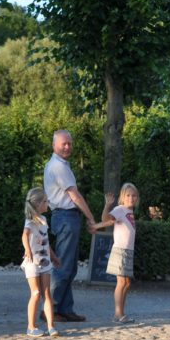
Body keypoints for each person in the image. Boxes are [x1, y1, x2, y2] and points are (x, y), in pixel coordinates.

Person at [43, 129, 97, 322]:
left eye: (69, 144)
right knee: (63, 265)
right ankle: (52, 308)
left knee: (70, 266)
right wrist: (91, 218)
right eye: (63, 143)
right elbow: (74, 195)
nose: (67, 147)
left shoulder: (59, 165)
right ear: (54, 145)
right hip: (65, 216)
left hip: (66, 217)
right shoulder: (58, 166)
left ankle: (65, 308)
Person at [91, 183, 139, 324]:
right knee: (122, 282)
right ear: (122, 197)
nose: (131, 198)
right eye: (128, 195)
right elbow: (107, 219)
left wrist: (96, 226)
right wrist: (107, 205)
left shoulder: (129, 212)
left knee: (127, 282)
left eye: (134, 195)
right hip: (120, 251)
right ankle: (118, 314)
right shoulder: (120, 209)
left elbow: (107, 224)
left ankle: (121, 313)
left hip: (128, 251)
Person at [21, 187, 61, 337]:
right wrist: (27, 250)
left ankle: (51, 326)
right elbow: (24, 236)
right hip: (32, 261)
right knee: (36, 293)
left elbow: (45, 241)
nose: (47, 204)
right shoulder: (30, 221)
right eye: (45, 201)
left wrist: (54, 257)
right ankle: (31, 327)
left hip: (45, 261)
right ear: (37, 204)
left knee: (46, 294)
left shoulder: (44, 220)